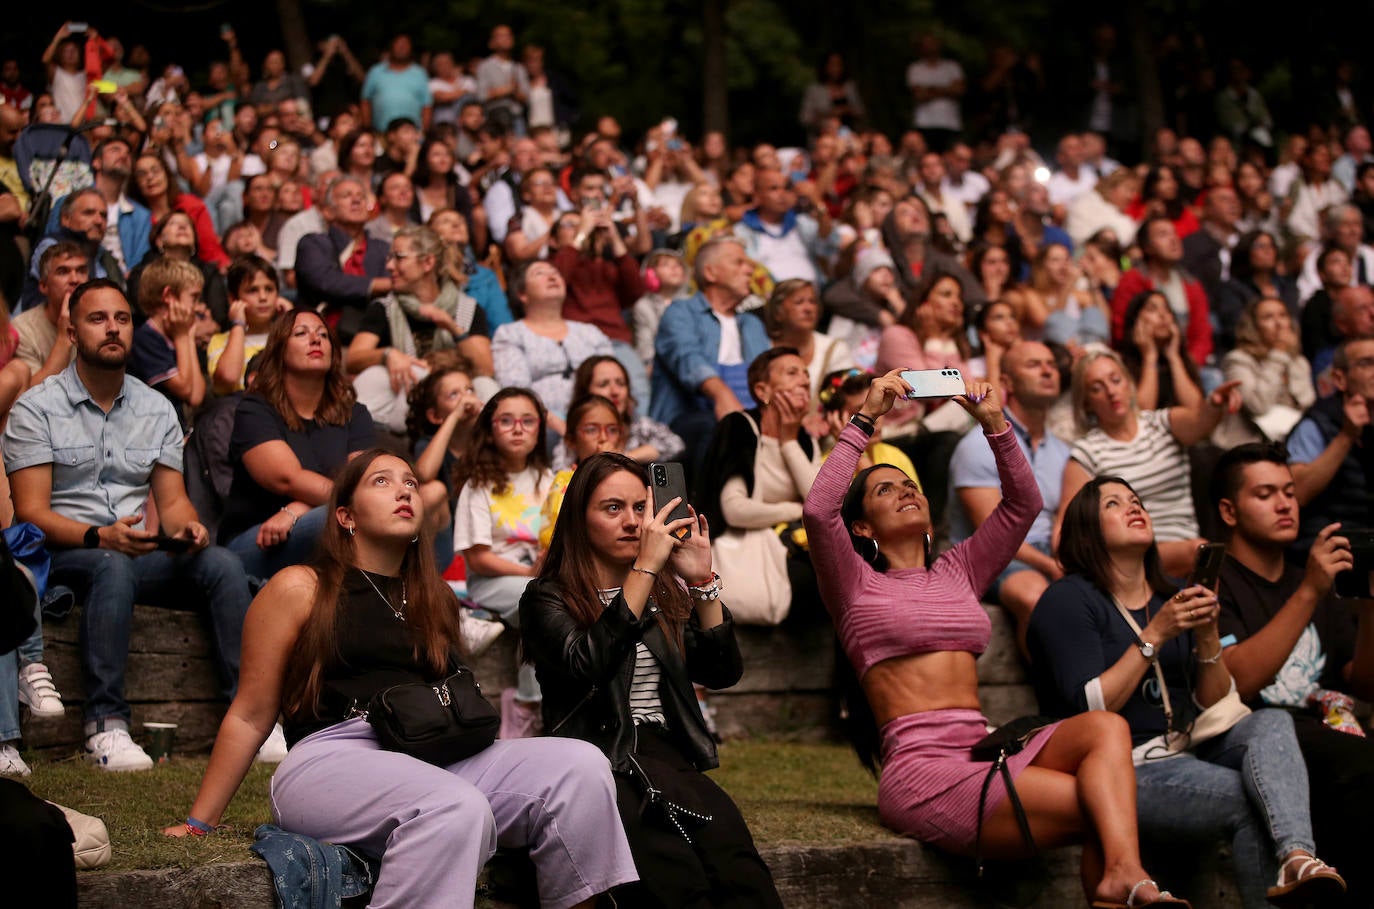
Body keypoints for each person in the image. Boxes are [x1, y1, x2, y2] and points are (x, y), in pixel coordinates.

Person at [162, 449, 637, 909]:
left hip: (434, 755)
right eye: (382, 481)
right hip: (332, 759)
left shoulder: (434, 600)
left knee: (580, 765)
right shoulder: (300, 587)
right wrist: (200, 822)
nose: (404, 490)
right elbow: (249, 714)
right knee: (456, 807)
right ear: (346, 516)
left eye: (410, 481)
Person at [803, 369, 1188, 907]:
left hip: (987, 746)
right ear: (862, 528)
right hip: (924, 770)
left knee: (1105, 727)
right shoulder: (853, 584)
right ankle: (1125, 878)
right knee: (1103, 807)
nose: (905, 491)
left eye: (910, 485)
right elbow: (819, 512)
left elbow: (1022, 506)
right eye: (884, 490)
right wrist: (866, 418)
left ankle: (1120, 879)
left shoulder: (958, 569)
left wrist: (995, 425)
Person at [1028, 477, 1347, 909]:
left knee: (1271, 720)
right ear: (1086, 526)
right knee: (1249, 798)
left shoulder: (1170, 595)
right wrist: (1155, 634)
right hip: (1121, 770)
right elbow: (1089, 708)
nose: (1133, 507)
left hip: (1188, 746)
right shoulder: (1068, 600)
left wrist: (1209, 636)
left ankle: (1297, 857)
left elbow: (1214, 703)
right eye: (1114, 503)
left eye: (1137, 500)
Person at [3, 279, 253, 771]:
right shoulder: (37, 407)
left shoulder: (155, 407)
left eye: (122, 318)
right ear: (72, 332)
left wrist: (188, 530)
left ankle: (250, 715)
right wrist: (101, 536)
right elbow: (30, 514)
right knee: (109, 565)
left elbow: (174, 501)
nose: (113, 328)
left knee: (222, 563)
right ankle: (105, 725)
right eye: (98, 319)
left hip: (133, 549)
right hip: (63, 556)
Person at [521, 452, 783, 908]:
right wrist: (644, 571)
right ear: (580, 521)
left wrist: (702, 583)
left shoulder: (664, 592)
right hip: (597, 761)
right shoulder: (547, 596)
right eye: (612, 508)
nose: (632, 521)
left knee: (740, 871)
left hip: (667, 755)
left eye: (640, 508)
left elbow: (723, 671)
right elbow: (588, 663)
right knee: (676, 880)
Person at [1211, 444, 1374, 908]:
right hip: (1255, 736)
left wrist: (1368, 602)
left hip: (1328, 734)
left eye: (1289, 491)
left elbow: (1362, 683)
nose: (1286, 504)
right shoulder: (1217, 582)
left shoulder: (1310, 579)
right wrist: (1310, 592)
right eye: (1265, 494)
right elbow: (1236, 684)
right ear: (1229, 510)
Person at [220, 309, 376, 583]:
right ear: (280, 350)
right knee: (336, 519)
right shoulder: (255, 409)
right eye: (302, 333)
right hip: (257, 542)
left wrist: (298, 509)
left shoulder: (355, 413)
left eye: (323, 335)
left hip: (323, 525)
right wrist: (334, 505)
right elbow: (287, 479)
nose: (315, 340)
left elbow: (362, 480)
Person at [1059, 350, 1238, 577]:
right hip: (1132, 554)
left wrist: (1215, 403)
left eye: (1116, 380)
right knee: (1202, 553)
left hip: (1187, 540)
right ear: (1086, 403)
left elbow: (1200, 423)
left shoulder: (1161, 423)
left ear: (1129, 383)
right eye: (1097, 388)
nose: (1111, 392)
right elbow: (1066, 530)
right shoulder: (1087, 452)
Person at [949, 341, 1068, 655]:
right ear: (1007, 383)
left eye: (1051, 364)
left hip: (1049, 552)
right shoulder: (976, 445)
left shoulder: (1064, 450)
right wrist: (1051, 565)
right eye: (1033, 365)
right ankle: (1057, 697)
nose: (1047, 370)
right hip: (996, 558)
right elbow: (996, 535)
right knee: (1035, 595)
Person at [453, 388, 553, 738]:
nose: (517, 429)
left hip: (542, 579)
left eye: (527, 421)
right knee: (539, 601)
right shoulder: (477, 485)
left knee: (550, 599)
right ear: (490, 429)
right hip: (493, 581)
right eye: (506, 421)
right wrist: (529, 573)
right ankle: (528, 706)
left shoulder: (549, 479)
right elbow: (478, 559)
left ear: (540, 428)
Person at [699, 349, 822, 620]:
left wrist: (788, 440)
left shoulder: (803, 439)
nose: (804, 381)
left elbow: (821, 504)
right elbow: (734, 510)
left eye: (805, 374)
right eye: (792, 373)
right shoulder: (739, 427)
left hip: (789, 546)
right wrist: (796, 510)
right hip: (746, 550)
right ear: (762, 390)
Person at [345, 225, 494, 434]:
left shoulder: (467, 308)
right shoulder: (385, 308)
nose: (389, 266)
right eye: (390, 258)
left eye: (399, 257)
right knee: (380, 376)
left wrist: (453, 328)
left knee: (486, 386)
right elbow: (353, 360)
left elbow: (485, 369)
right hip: (405, 403)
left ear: (427, 263)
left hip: (457, 400)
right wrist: (388, 354)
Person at [650, 237, 771, 473]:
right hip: (689, 417)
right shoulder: (680, 311)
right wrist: (721, 393)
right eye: (739, 263)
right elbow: (687, 357)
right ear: (711, 272)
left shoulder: (753, 324)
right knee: (712, 427)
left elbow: (769, 375)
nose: (750, 269)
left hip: (749, 416)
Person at [492, 261, 613, 438]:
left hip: (596, 422)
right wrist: (565, 430)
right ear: (522, 294)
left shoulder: (590, 332)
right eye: (539, 273)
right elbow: (518, 393)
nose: (552, 276)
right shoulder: (510, 334)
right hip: (543, 427)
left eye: (555, 272)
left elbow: (612, 379)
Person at [1286, 335, 1374, 552]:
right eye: (1366, 363)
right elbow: (1298, 493)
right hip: (1326, 548)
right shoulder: (1316, 424)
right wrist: (1346, 436)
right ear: (1340, 378)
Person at [295, 176, 393, 343]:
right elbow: (326, 281)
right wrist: (376, 285)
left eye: (361, 196)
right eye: (347, 196)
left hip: (375, 338)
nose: (356, 200)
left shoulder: (383, 249)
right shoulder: (314, 243)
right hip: (320, 339)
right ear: (328, 211)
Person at [1213, 298, 1315, 449]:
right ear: (1253, 327)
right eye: (1268, 317)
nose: (1279, 324)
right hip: (1249, 446)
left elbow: (1306, 403)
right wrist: (1278, 356)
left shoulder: (1298, 361)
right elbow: (1258, 405)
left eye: (1283, 315)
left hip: (1290, 444)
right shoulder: (1238, 360)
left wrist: (1288, 359)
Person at [538, 395, 625, 550]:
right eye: (591, 430)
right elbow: (552, 538)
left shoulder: (633, 480)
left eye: (612, 430)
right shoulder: (564, 481)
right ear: (570, 440)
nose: (604, 438)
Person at [567, 355, 683, 470]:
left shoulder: (639, 425)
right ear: (585, 393)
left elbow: (675, 445)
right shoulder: (574, 432)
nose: (615, 391)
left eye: (621, 383)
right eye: (604, 384)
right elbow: (559, 474)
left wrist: (621, 458)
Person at [128, 256, 206, 414]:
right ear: (169, 296)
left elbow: (196, 397)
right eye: (194, 298)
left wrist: (188, 337)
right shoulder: (145, 338)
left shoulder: (179, 335)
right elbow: (184, 389)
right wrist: (183, 337)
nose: (199, 308)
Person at [208, 256, 290, 395]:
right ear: (234, 299)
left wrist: (291, 323)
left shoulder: (287, 336)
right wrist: (238, 325)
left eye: (269, 289)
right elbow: (228, 377)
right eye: (252, 290)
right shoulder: (220, 341)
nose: (263, 297)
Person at [764, 278, 853, 403]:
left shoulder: (834, 349)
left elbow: (846, 399)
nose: (808, 309)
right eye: (799, 302)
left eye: (813, 302)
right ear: (778, 313)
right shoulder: (761, 347)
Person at [1117, 290, 1204, 412]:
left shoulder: (1183, 360)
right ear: (1136, 322)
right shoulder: (1120, 364)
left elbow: (1196, 410)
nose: (1163, 315)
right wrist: (1150, 356)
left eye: (1167, 309)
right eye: (1152, 309)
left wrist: (1174, 357)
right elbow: (1142, 413)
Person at [360, 34, 432, 132]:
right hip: (381, 132)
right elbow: (365, 101)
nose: (402, 47)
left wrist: (424, 132)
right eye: (398, 44)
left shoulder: (420, 74)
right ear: (391, 47)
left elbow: (427, 105)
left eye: (405, 44)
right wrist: (367, 129)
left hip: (412, 134)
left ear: (411, 49)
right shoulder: (375, 72)